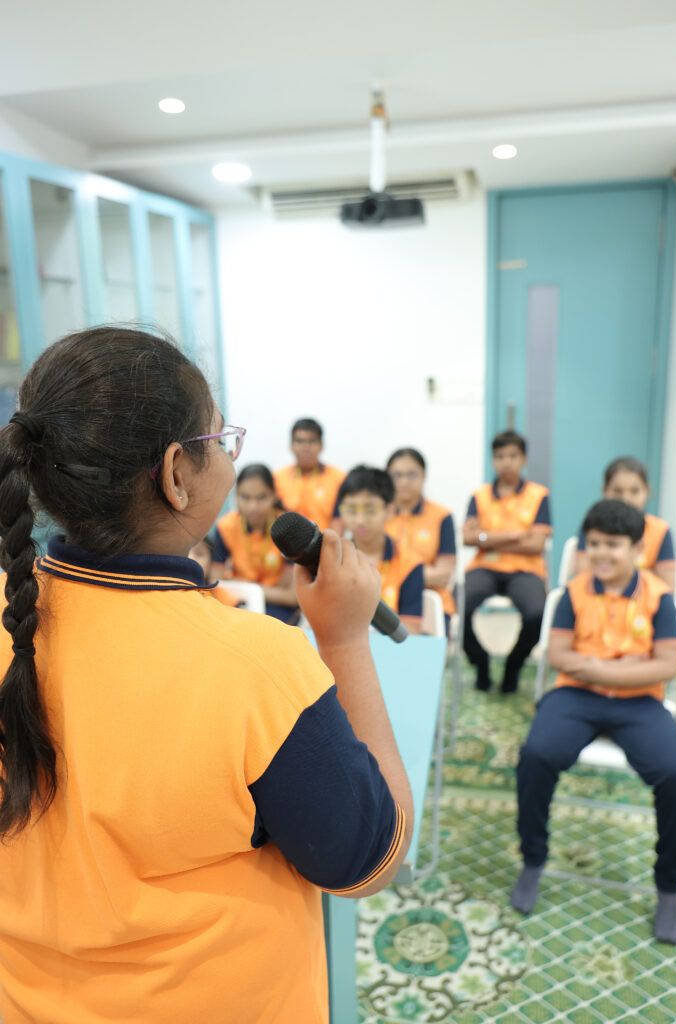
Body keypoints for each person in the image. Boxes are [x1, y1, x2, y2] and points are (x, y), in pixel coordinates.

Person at [0, 327, 413, 1024]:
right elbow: (370, 859)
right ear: (176, 474)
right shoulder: (255, 665)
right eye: (219, 439)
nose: (228, 453)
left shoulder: (14, 618)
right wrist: (344, 639)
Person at [512, 499, 676, 944]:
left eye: (613, 544)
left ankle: (668, 887)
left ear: (637, 549)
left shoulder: (659, 598)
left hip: (640, 703)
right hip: (575, 695)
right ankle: (533, 859)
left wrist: (595, 667)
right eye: (594, 543)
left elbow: (667, 665)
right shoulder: (573, 592)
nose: (602, 553)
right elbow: (559, 655)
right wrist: (626, 665)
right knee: (536, 756)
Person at [462, 430, 552, 693]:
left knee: (537, 613)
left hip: (526, 569)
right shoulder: (479, 496)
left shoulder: (539, 496)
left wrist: (487, 537)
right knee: (460, 604)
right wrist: (514, 535)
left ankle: (514, 666)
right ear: (493, 460)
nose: (506, 462)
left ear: (523, 459)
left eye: (513, 456)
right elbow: (468, 538)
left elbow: (536, 544)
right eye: (500, 456)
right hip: (485, 567)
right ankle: (480, 662)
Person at [338, 465, 424, 635]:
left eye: (370, 510)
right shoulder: (333, 560)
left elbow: (410, 630)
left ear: (390, 510)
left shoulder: (410, 564)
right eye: (351, 510)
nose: (360, 520)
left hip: (390, 647)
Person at [211, 463, 299, 622]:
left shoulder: (287, 527)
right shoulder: (226, 527)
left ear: (274, 495)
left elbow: (292, 597)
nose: (253, 506)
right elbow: (215, 583)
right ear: (236, 496)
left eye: (261, 497)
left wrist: (246, 588)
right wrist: (249, 592)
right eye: (245, 497)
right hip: (241, 600)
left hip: (277, 606)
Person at [574, 456, 676, 591]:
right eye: (617, 491)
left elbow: (667, 587)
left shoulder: (660, 531)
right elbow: (582, 578)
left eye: (635, 491)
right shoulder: (593, 527)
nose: (626, 499)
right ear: (605, 491)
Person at [385, 448, 456, 628]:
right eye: (397, 475)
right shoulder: (379, 515)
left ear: (424, 476)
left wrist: (393, 576)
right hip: (384, 600)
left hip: (431, 601)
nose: (404, 481)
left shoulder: (441, 516)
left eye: (412, 475)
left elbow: (443, 575)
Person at [274, 418, 345, 530]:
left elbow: (339, 519)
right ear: (291, 445)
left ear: (321, 445)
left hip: (326, 539)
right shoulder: (277, 479)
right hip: (285, 540)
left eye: (311, 441)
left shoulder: (338, 478)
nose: (305, 447)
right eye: (299, 441)